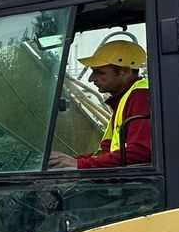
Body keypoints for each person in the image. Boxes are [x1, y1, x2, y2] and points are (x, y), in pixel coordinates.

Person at [49, 40, 151, 169]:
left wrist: (79, 164)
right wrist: (68, 160)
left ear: (125, 71)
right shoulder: (124, 99)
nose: (92, 78)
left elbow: (141, 152)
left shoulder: (141, 96)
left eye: (99, 72)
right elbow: (108, 154)